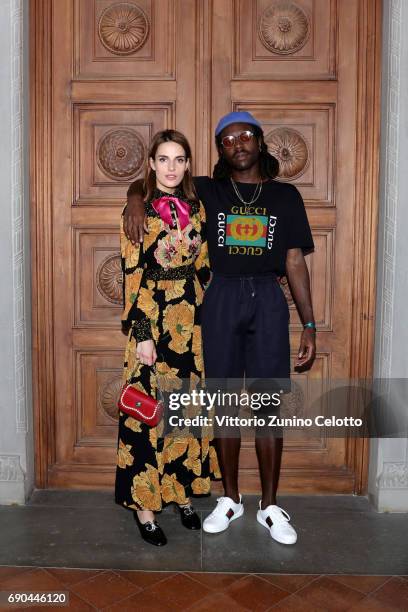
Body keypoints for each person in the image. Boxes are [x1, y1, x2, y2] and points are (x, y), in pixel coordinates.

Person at [123, 112, 316, 545]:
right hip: (222, 298)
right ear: (220, 149)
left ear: (259, 141)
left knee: (267, 403)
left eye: (245, 135)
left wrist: (309, 323)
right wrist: (135, 198)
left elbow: (295, 262)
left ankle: (269, 506)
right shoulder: (207, 190)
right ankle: (230, 499)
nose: (238, 143)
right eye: (228, 139)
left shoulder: (285, 197)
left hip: (267, 299)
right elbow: (156, 182)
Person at [116, 129, 220, 547]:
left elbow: (206, 264)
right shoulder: (137, 214)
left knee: (184, 413)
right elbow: (131, 277)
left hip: (190, 327)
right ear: (152, 164)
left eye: (179, 159)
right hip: (152, 323)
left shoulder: (198, 209)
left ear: (189, 164)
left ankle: (181, 494)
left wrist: (204, 307)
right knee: (147, 415)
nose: (172, 167)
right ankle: (144, 508)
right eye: (164, 159)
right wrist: (142, 334)